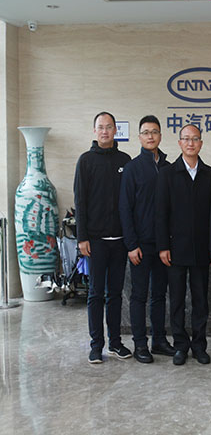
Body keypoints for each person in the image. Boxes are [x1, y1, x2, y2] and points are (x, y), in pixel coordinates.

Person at [156, 124, 211, 366]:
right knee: (177, 301)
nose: (191, 143)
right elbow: (161, 213)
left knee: (201, 301)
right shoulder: (168, 174)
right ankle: (180, 345)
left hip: (202, 250)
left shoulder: (209, 174)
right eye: (186, 139)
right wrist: (163, 246)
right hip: (175, 249)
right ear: (179, 143)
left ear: (201, 143)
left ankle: (199, 346)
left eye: (195, 139)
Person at [74, 111, 132, 364]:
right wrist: (82, 237)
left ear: (116, 130)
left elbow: (130, 201)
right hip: (95, 241)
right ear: (94, 131)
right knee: (96, 294)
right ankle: (96, 345)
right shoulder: (86, 161)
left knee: (115, 294)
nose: (105, 131)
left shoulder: (125, 160)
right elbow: (80, 200)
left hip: (119, 240)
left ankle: (115, 343)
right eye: (101, 127)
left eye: (109, 127)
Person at [119, 115, 174, 363]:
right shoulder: (132, 169)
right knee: (139, 295)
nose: (150, 136)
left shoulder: (168, 168)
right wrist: (131, 244)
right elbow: (125, 208)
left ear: (160, 135)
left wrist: (168, 243)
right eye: (146, 132)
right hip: (140, 245)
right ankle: (140, 344)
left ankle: (159, 341)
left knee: (160, 295)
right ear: (139, 137)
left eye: (154, 132)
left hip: (162, 245)